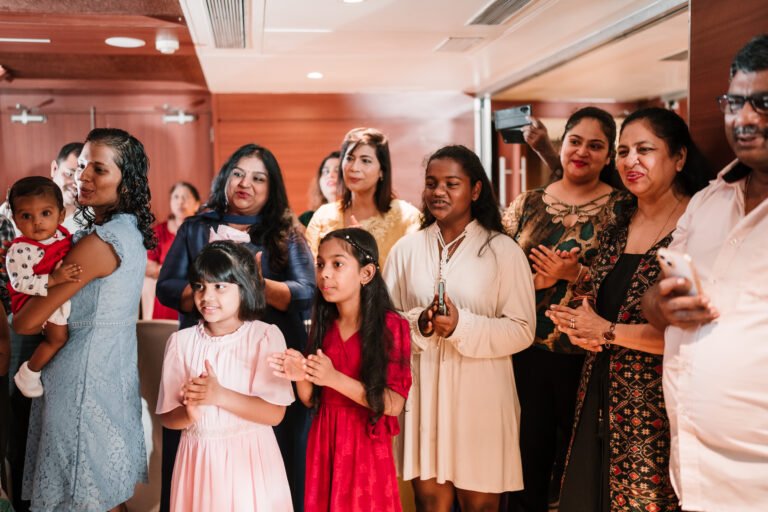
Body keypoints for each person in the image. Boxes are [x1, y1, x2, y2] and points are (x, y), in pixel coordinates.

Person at [546, 108, 711, 512]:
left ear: (679, 158)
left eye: (644, 149)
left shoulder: (697, 225)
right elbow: (600, 306)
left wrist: (605, 330)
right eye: (623, 151)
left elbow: (685, 333)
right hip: (598, 391)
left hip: (654, 409)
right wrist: (579, 326)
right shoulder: (618, 223)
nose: (630, 160)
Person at [642, 34, 768, 511]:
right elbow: (655, 300)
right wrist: (662, 304)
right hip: (697, 471)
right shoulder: (708, 201)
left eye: (764, 102)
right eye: (735, 102)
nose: (746, 118)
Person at [156, 143, 315, 512]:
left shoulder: (285, 232)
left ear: (272, 187)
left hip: (260, 355)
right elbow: (166, 285)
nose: (246, 183)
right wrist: (209, 295)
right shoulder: (197, 226)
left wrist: (253, 287)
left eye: (259, 178)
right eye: (239, 173)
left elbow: (306, 291)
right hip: (204, 345)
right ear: (225, 177)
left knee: (265, 457)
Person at [384, 145, 536, 512]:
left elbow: (522, 330)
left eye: (451, 183)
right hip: (424, 394)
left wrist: (460, 327)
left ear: (476, 190)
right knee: (429, 504)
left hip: (481, 395)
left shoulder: (503, 251)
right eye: (431, 183)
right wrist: (418, 322)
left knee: (481, 505)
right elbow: (384, 324)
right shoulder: (406, 251)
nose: (438, 192)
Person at [12, 127, 156, 511]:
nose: (84, 177)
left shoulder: (101, 241)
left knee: (79, 492)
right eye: (81, 167)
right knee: (100, 491)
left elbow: (26, 323)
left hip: (82, 377)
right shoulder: (127, 230)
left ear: (126, 179)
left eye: (99, 169)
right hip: (109, 369)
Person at [502, 108, 631, 512]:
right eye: (576, 141)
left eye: (596, 146)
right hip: (527, 351)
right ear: (562, 144)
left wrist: (576, 273)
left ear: (609, 156)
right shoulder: (527, 203)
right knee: (527, 456)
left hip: (590, 357)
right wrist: (531, 283)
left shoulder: (623, 208)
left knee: (578, 462)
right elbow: (495, 270)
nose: (582, 152)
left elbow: (630, 282)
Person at [270, 228, 412, 512]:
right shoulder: (325, 324)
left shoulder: (391, 326)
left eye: (337, 264)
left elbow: (394, 403)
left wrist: (334, 378)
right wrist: (302, 376)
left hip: (366, 446)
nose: (324, 273)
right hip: (325, 442)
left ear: (366, 273)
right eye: (320, 264)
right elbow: (312, 400)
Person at [157, 241, 294, 511]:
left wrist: (220, 395)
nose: (206, 296)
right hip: (199, 461)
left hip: (250, 463)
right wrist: (188, 415)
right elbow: (166, 416)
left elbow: (275, 414)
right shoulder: (180, 342)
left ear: (244, 288)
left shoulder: (264, 336)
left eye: (219, 286)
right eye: (199, 286)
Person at [5, 177, 82, 397]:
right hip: (32, 300)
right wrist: (54, 279)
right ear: (15, 220)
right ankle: (29, 372)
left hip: (55, 296)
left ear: (61, 215)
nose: (37, 222)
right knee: (57, 339)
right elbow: (20, 282)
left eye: (45, 213)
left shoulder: (61, 235)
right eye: (26, 216)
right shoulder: (21, 249)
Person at [305, 127, 421, 267]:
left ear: (382, 171)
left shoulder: (408, 217)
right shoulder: (324, 215)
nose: (354, 167)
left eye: (365, 161)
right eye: (349, 158)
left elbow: (414, 275)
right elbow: (309, 273)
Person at [146, 181, 201, 320]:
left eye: (186, 197)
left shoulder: (203, 231)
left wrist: (167, 270)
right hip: (166, 297)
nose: (180, 202)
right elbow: (147, 266)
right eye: (176, 197)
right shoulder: (158, 231)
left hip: (194, 296)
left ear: (197, 204)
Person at [298, 151, 340, 227]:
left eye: (337, 171)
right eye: (326, 171)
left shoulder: (361, 216)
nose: (330, 175)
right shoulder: (307, 219)